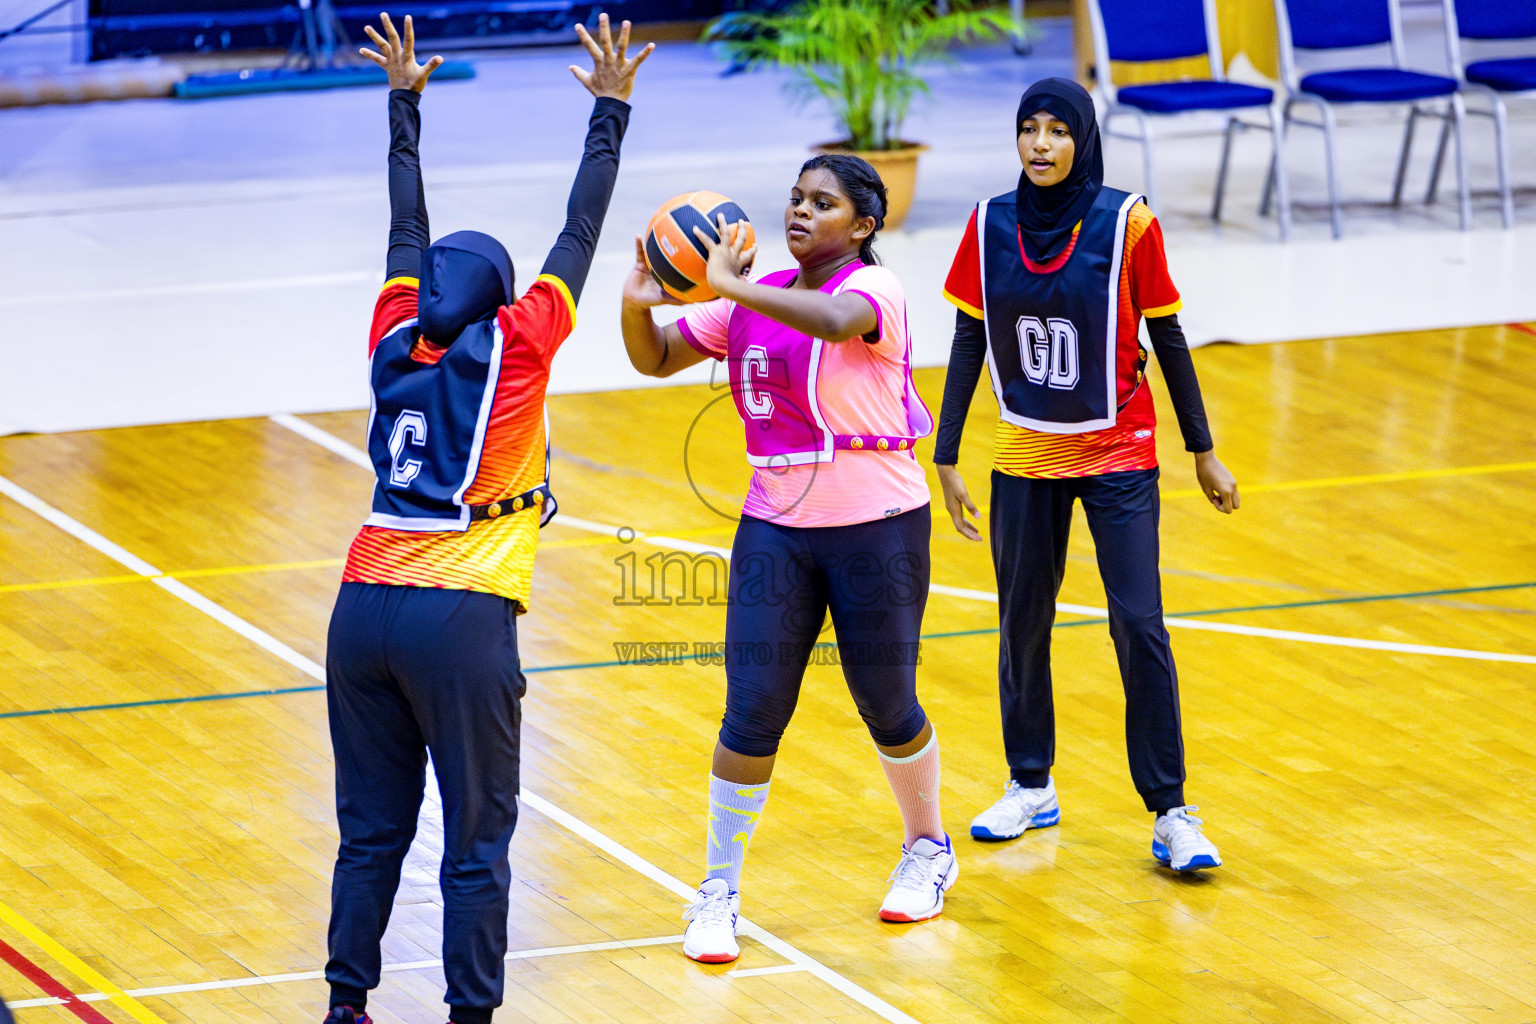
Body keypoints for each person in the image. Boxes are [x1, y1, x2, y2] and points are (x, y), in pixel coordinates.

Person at [320, 14, 651, 1024]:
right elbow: (581, 230)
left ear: (427, 298)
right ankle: (470, 1016)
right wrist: (611, 112)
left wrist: (404, 106)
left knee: (370, 831)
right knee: (475, 841)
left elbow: (402, 232)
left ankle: (345, 1007)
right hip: (459, 613)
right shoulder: (521, 341)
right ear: (502, 297)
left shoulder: (392, 338)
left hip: (361, 603)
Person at [619, 155, 952, 963]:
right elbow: (654, 357)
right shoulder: (752, 301)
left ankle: (928, 848)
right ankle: (718, 889)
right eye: (796, 199)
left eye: (824, 203)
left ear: (864, 226)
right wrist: (634, 307)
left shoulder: (875, 292)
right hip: (774, 528)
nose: (801, 211)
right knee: (753, 706)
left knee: (886, 700)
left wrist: (728, 287)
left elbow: (833, 325)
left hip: (879, 524)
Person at [934, 78, 1239, 873]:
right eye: (1028, 129)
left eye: (1056, 131)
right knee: (1020, 621)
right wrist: (946, 453)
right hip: (1026, 451)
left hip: (1120, 452)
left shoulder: (1129, 221)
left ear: (1083, 139)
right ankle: (1030, 783)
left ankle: (1172, 811)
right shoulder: (987, 223)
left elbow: (1168, 336)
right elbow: (969, 338)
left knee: (1139, 624)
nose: (1040, 144)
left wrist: (1202, 449)